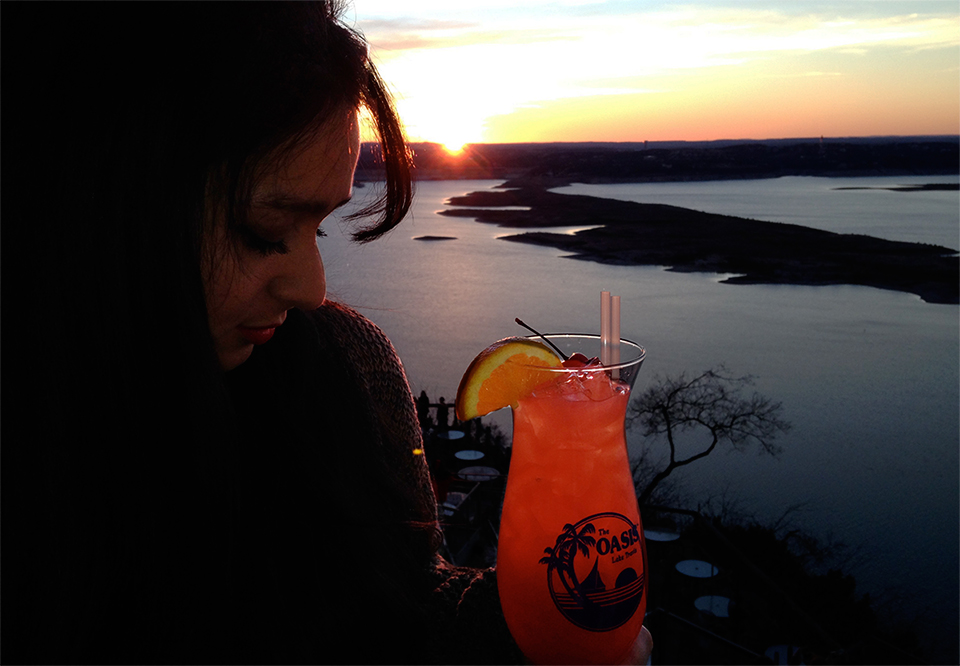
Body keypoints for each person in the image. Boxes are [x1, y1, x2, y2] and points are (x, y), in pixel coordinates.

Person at [2, 3, 651, 664]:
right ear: (97, 204)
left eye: (319, 229)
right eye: (265, 232)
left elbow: (406, 602)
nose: (312, 289)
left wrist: (511, 632)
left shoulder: (344, 371)